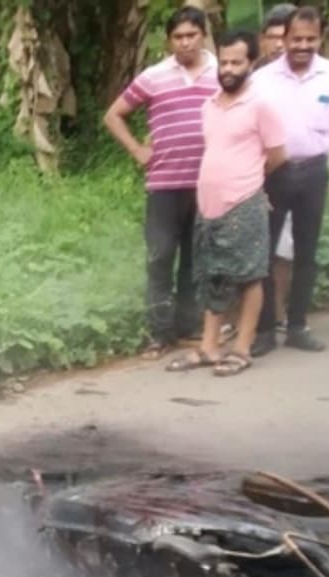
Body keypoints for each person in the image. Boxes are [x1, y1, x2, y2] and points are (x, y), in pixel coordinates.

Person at [167, 30, 287, 377]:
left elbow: (278, 154)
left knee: (249, 277)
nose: (229, 69)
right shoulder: (210, 105)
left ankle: (242, 348)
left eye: (238, 62)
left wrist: (250, 181)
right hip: (209, 205)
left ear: (251, 63)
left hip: (244, 202)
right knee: (211, 274)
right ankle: (208, 347)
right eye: (225, 61)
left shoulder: (261, 104)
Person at [104, 5, 219, 361]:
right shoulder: (154, 76)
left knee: (194, 260)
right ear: (169, 41)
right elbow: (113, 115)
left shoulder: (220, 71)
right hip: (164, 184)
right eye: (178, 37)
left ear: (203, 36)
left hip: (206, 184)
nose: (185, 43)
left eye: (192, 35)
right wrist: (138, 149)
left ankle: (187, 328)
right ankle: (159, 334)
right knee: (159, 258)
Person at [251, 6, 329, 356]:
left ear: (320, 39)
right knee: (264, 253)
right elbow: (251, 130)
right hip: (274, 174)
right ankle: (265, 330)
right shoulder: (263, 79)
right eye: (296, 39)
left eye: (310, 39)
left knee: (307, 252)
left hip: (314, 172)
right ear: (284, 39)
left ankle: (298, 325)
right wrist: (253, 177)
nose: (302, 45)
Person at [259, 4, 297, 332]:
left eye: (284, 37)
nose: (278, 45)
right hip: (255, 174)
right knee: (252, 247)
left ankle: (280, 312)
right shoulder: (253, 77)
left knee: (285, 247)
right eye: (272, 38)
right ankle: (251, 316)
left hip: (293, 173)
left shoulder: (312, 75)